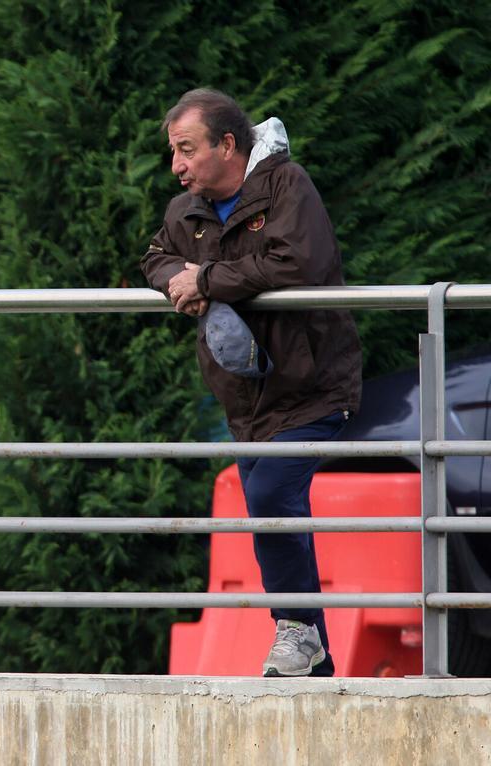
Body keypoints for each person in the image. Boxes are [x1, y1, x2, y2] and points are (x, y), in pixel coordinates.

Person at [141, 88, 362, 677]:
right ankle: (309, 652)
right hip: (246, 400)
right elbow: (156, 258)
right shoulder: (184, 210)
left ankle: (297, 633)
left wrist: (207, 278)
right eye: (174, 152)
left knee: (269, 499)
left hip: (315, 386)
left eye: (187, 150)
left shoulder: (286, 186)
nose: (177, 166)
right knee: (268, 507)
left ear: (228, 144)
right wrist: (176, 279)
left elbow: (299, 264)